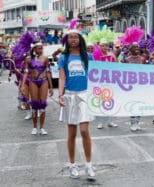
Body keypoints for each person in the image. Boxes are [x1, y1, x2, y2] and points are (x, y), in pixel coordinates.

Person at [58, 30, 95, 179]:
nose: (73, 39)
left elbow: (95, 75)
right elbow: (62, 77)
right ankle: (73, 165)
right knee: (72, 133)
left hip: (85, 95)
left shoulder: (89, 56)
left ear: (80, 39)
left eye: (76, 37)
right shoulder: (64, 57)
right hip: (69, 95)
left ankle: (88, 165)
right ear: (67, 41)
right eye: (70, 37)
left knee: (85, 130)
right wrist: (60, 94)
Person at [21, 42, 54, 135]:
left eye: (42, 48)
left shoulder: (45, 58)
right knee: (34, 105)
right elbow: (26, 72)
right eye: (39, 48)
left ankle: (42, 127)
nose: (41, 50)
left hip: (43, 81)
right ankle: (35, 127)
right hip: (33, 82)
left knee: (43, 105)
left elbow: (48, 72)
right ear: (34, 49)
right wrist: (23, 85)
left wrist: (51, 87)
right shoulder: (28, 59)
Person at [93, 39, 118, 129]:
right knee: (101, 101)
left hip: (110, 81)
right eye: (102, 45)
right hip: (100, 81)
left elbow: (116, 67)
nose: (104, 47)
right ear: (99, 47)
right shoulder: (96, 56)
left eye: (106, 45)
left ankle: (111, 121)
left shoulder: (112, 55)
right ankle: (100, 122)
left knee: (111, 101)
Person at [124, 42, 146, 131]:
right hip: (131, 86)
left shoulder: (142, 59)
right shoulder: (127, 59)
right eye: (134, 47)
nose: (136, 48)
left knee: (139, 103)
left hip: (140, 85)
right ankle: (133, 123)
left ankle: (137, 122)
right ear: (130, 49)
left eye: (137, 47)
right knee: (132, 104)